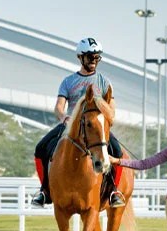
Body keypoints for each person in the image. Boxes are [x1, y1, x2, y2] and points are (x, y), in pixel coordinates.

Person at [31, 37, 126, 208]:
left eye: (97, 57)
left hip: (95, 126)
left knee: (117, 151)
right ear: (80, 58)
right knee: (41, 147)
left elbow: (112, 108)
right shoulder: (68, 81)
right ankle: (45, 190)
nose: (94, 61)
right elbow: (59, 106)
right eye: (90, 57)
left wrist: (106, 118)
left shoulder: (104, 82)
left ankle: (113, 190)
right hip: (71, 124)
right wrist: (63, 117)